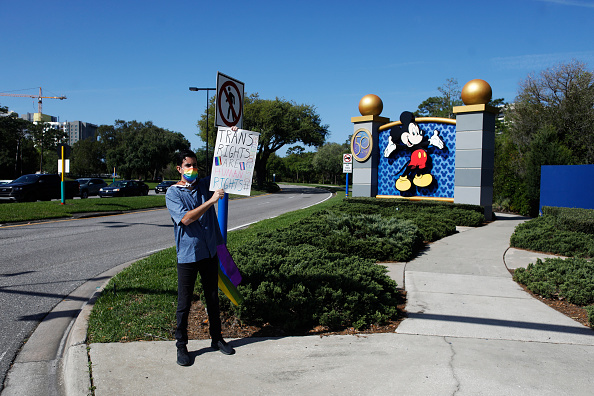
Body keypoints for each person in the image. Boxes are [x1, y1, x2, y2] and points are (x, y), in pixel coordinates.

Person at [166, 148, 235, 367]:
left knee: (212, 298)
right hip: (188, 255)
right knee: (184, 302)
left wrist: (230, 138)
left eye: (195, 165)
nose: (193, 169)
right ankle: (181, 346)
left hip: (209, 252)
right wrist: (211, 202)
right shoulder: (173, 193)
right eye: (188, 165)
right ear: (179, 169)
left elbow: (223, 167)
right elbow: (186, 219)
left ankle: (217, 338)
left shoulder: (205, 185)